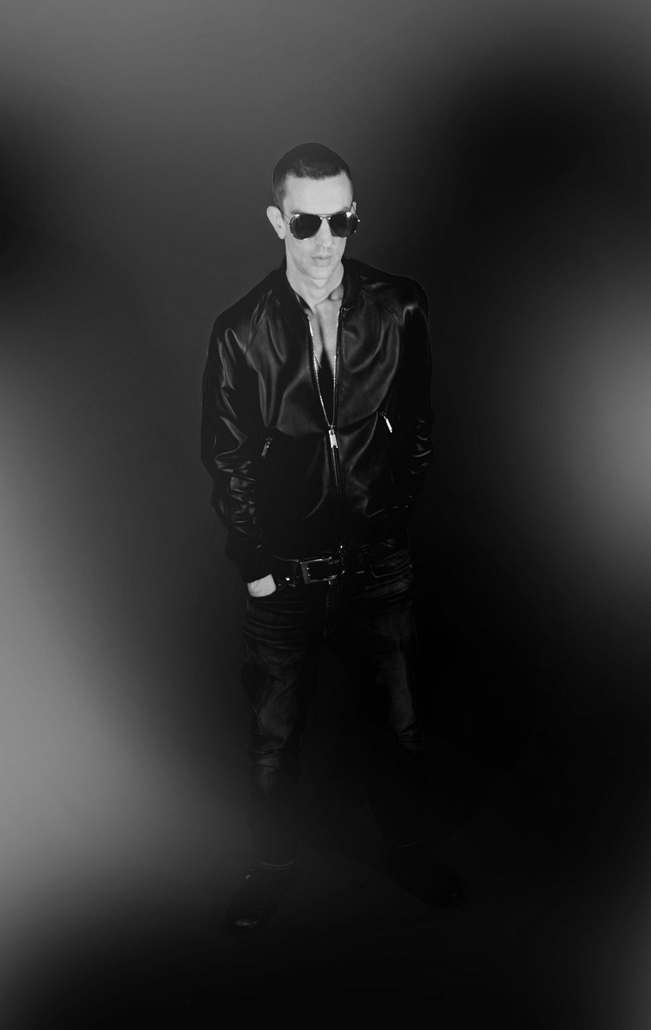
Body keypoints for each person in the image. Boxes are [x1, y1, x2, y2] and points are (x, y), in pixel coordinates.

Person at [201, 142, 463, 933]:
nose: (324, 241)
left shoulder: (400, 307)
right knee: (274, 734)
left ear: (354, 218)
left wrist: (394, 516)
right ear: (277, 221)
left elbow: (418, 424)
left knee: (398, 722)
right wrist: (256, 566)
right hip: (284, 573)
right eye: (306, 222)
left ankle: (407, 847)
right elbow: (227, 458)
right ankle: (272, 865)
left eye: (339, 221)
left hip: (377, 562)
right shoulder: (240, 333)